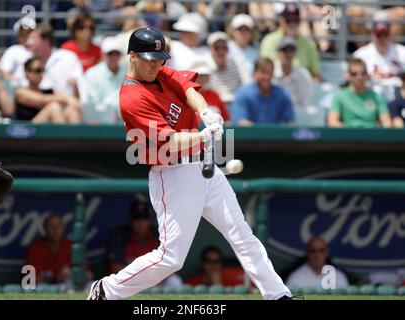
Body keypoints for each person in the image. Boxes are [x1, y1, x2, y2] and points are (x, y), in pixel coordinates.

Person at [87, 27, 292, 300]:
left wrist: (206, 112)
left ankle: (278, 295)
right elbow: (169, 142)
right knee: (171, 258)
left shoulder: (161, 73)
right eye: (150, 59)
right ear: (132, 56)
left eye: (160, 59)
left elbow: (188, 89)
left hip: (203, 165)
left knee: (241, 233)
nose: (157, 65)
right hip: (172, 172)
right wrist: (203, 135)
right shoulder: (131, 99)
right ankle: (107, 290)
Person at [26, 213, 92, 287]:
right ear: (45, 229)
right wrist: (55, 278)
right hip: (47, 289)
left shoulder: (71, 246)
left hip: (68, 286)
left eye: (59, 226)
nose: (56, 229)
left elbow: (86, 273)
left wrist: (73, 275)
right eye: (52, 226)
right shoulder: (36, 247)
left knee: (90, 285)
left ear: (63, 228)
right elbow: (32, 280)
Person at [259, 3, 321, 81]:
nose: (292, 23)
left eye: (295, 20)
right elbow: (265, 70)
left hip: (300, 86)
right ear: (282, 21)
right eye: (288, 20)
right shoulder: (269, 40)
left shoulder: (309, 43)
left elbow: (316, 75)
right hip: (275, 85)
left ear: (300, 21)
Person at [327, 58, 391, 128]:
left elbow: (386, 122)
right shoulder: (340, 96)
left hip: (371, 136)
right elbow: (332, 121)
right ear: (348, 76)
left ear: (367, 75)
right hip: (348, 135)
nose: (359, 77)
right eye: (354, 74)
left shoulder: (376, 96)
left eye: (363, 73)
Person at [15, 57, 82, 123]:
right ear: (27, 72)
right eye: (37, 70)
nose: (41, 74)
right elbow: (41, 100)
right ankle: (63, 133)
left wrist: (74, 87)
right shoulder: (20, 92)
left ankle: (76, 134)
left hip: (46, 128)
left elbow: (73, 100)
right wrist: (66, 99)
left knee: (71, 111)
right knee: (53, 107)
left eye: (42, 70)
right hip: (28, 129)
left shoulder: (50, 91)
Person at [232, 57, 295, 126]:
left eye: (270, 73)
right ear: (254, 73)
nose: (267, 77)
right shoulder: (244, 93)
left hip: (276, 136)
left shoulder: (282, 94)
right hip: (248, 135)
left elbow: (290, 122)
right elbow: (240, 121)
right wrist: (260, 133)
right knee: (229, 132)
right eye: (263, 72)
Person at [83, 36, 126, 124]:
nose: (114, 57)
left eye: (117, 53)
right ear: (103, 54)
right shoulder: (92, 74)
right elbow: (92, 103)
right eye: (110, 53)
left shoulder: (127, 73)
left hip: (123, 119)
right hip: (99, 122)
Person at [353, 21, 405, 89]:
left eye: (385, 35)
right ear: (372, 35)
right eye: (378, 35)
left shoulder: (402, 52)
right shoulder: (360, 55)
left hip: (399, 93)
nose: (382, 39)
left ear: (390, 36)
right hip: (371, 93)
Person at [206, 31, 249, 105]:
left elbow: (247, 84)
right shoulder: (205, 68)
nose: (221, 51)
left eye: (224, 48)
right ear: (210, 49)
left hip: (236, 103)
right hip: (215, 105)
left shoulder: (237, 64)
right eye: (216, 48)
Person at [273, 37, 313, 108]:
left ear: (295, 54)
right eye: (285, 50)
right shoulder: (269, 71)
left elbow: (305, 102)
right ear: (277, 52)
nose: (288, 54)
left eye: (291, 50)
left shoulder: (303, 74)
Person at [189, 59, 229, 124]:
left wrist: (230, 134)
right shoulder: (186, 96)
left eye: (205, 75)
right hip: (193, 132)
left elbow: (227, 122)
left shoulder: (214, 95)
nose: (202, 78)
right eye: (199, 75)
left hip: (216, 132)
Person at [0, 17, 33, 85]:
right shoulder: (13, 50)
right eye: (22, 33)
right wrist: (17, 85)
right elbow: (5, 72)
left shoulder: (40, 49)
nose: (26, 35)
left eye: (29, 32)